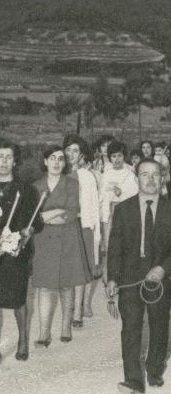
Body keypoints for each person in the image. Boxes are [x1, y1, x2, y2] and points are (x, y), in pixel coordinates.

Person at [106, 159, 171, 394]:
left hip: (161, 277)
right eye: (144, 175)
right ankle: (133, 379)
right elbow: (115, 247)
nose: (150, 180)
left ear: (163, 178)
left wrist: (163, 268)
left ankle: (154, 368)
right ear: (136, 178)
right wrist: (112, 277)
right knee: (130, 327)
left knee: (159, 324)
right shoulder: (123, 209)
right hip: (131, 275)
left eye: (155, 175)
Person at [32, 146, 92, 346]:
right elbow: (33, 216)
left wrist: (48, 215)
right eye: (53, 158)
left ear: (65, 163)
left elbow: (73, 210)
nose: (57, 162)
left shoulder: (72, 183)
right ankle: (43, 333)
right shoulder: (36, 186)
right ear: (45, 161)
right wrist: (55, 212)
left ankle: (66, 326)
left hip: (68, 237)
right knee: (45, 286)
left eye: (61, 159)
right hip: (44, 240)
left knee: (67, 284)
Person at [0, 139, 43, 361]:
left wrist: (29, 229)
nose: (3, 162)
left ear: (15, 160)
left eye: (7, 157)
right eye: (0, 157)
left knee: (18, 300)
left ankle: (23, 339)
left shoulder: (25, 190)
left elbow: (38, 221)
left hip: (14, 253)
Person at [63, 135, 101, 327]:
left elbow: (94, 207)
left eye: (75, 150)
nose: (71, 154)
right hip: (65, 226)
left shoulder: (88, 176)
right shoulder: (59, 173)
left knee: (84, 266)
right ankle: (71, 307)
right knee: (69, 267)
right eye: (68, 150)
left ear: (82, 154)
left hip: (84, 225)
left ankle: (81, 307)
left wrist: (97, 234)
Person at [98, 140, 139, 277]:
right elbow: (102, 196)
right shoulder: (106, 174)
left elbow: (134, 195)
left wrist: (120, 193)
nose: (117, 159)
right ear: (110, 157)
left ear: (124, 156)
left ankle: (126, 275)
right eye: (114, 156)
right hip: (109, 215)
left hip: (125, 214)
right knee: (111, 246)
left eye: (120, 156)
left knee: (126, 245)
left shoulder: (130, 174)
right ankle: (110, 276)